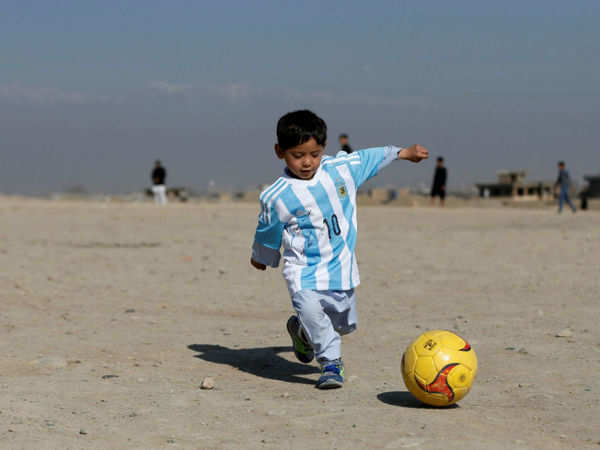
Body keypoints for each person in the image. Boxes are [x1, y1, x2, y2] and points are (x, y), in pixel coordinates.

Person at [249, 110, 428, 389]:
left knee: (343, 325)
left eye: (315, 154)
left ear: (324, 149)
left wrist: (403, 153)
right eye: (297, 155)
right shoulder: (277, 195)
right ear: (279, 152)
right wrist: (262, 257)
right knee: (310, 310)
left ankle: (302, 334)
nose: (307, 162)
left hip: (340, 267)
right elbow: (267, 229)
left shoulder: (340, 170)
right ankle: (331, 363)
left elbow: (369, 157)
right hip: (303, 271)